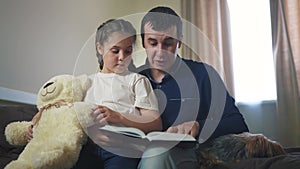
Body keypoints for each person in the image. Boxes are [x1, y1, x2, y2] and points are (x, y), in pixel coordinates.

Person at [133, 6, 249, 169]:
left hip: (188, 154)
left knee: (158, 154)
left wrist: (198, 126)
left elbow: (237, 123)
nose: (160, 52)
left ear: (179, 41)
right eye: (153, 43)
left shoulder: (203, 74)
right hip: (136, 152)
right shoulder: (130, 79)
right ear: (143, 41)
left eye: (168, 43)